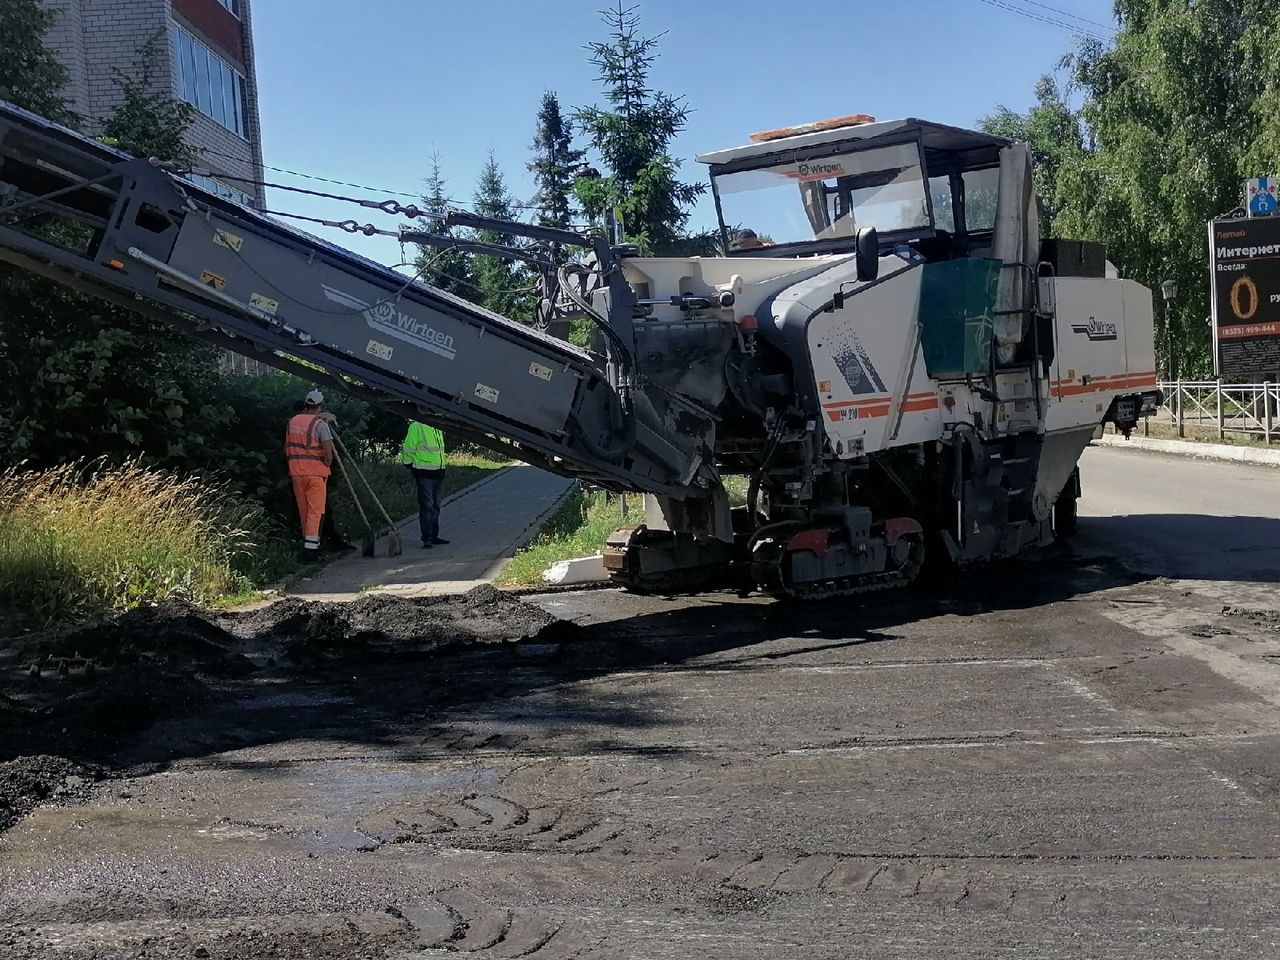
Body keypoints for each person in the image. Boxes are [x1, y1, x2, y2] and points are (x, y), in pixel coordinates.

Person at [284, 389, 335, 562]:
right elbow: (328, 454)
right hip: (315, 474)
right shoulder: (320, 425)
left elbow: (287, 447)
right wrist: (327, 464)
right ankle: (310, 551)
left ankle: (307, 545)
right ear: (320, 405)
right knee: (315, 512)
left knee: (304, 511)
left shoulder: (293, 422)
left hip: (297, 473)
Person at [400, 420, 448, 549]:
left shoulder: (437, 426)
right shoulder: (417, 426)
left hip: (438, 472)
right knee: (427, 506)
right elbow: (409, 446)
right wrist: (408, 463)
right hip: (424, 472)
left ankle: (433, 535)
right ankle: (427, 538)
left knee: (436, 506)